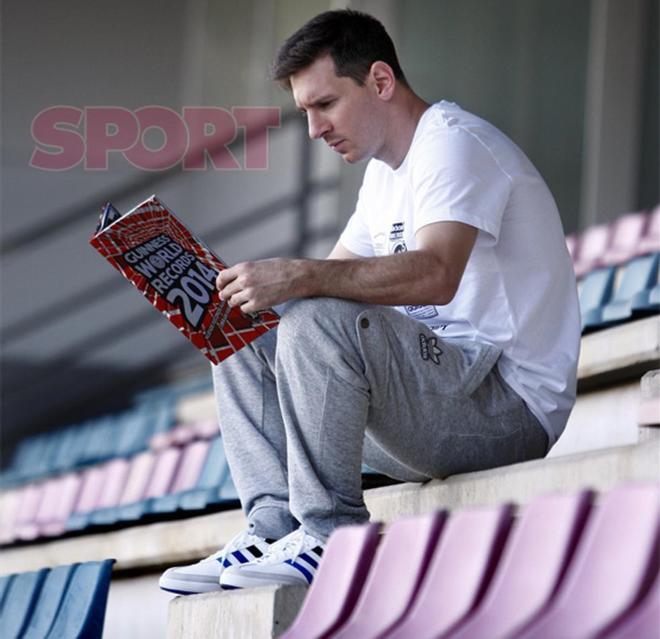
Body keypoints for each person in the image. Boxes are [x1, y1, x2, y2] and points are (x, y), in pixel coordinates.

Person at [159, 8, 580, 594]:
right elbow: (315, 295)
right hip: (431, 405)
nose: (313, 129)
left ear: (380, 82)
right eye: (305, 111)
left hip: (506, 408)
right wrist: (220, 293)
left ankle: (330, 535)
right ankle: (272, 526)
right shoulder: (383, 176)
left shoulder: (455, 145)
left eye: (325, 104)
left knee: (313, 308)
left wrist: (297, 278)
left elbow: (435, 274)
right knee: (243, 332)